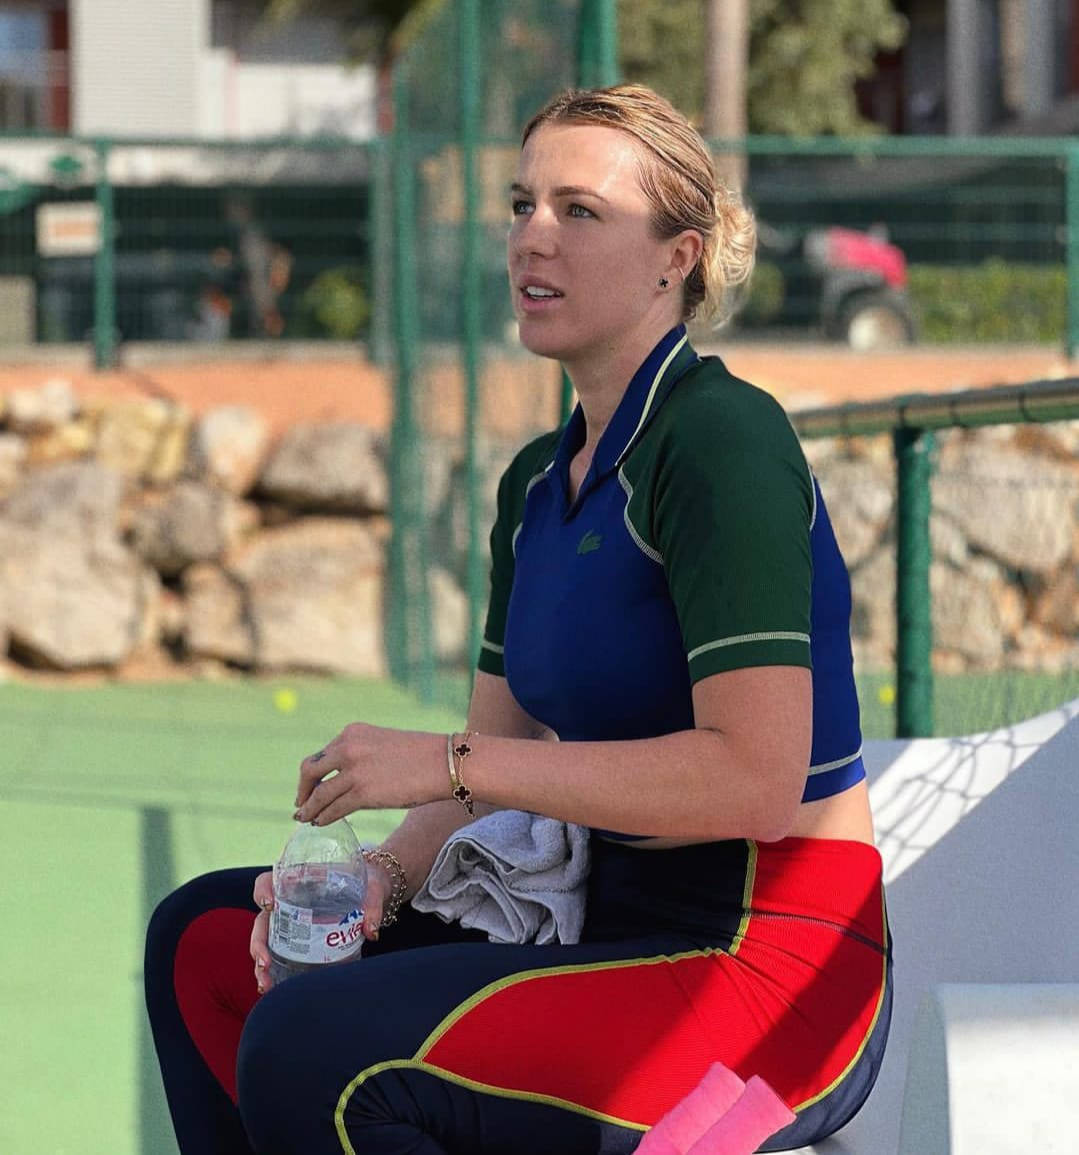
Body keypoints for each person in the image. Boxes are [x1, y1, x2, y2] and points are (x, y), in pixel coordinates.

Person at [145, 84, 891, 1154]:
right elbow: (493, 747)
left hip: (772, 967)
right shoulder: (538, 480)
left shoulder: (722, 439)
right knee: (207, 943)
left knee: (317, 1051)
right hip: (613, 924)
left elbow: (756, 781)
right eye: (520, 203)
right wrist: (380, 881)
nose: (530, 236)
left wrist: (446, 764)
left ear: (674, 257)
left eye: (579, 211)